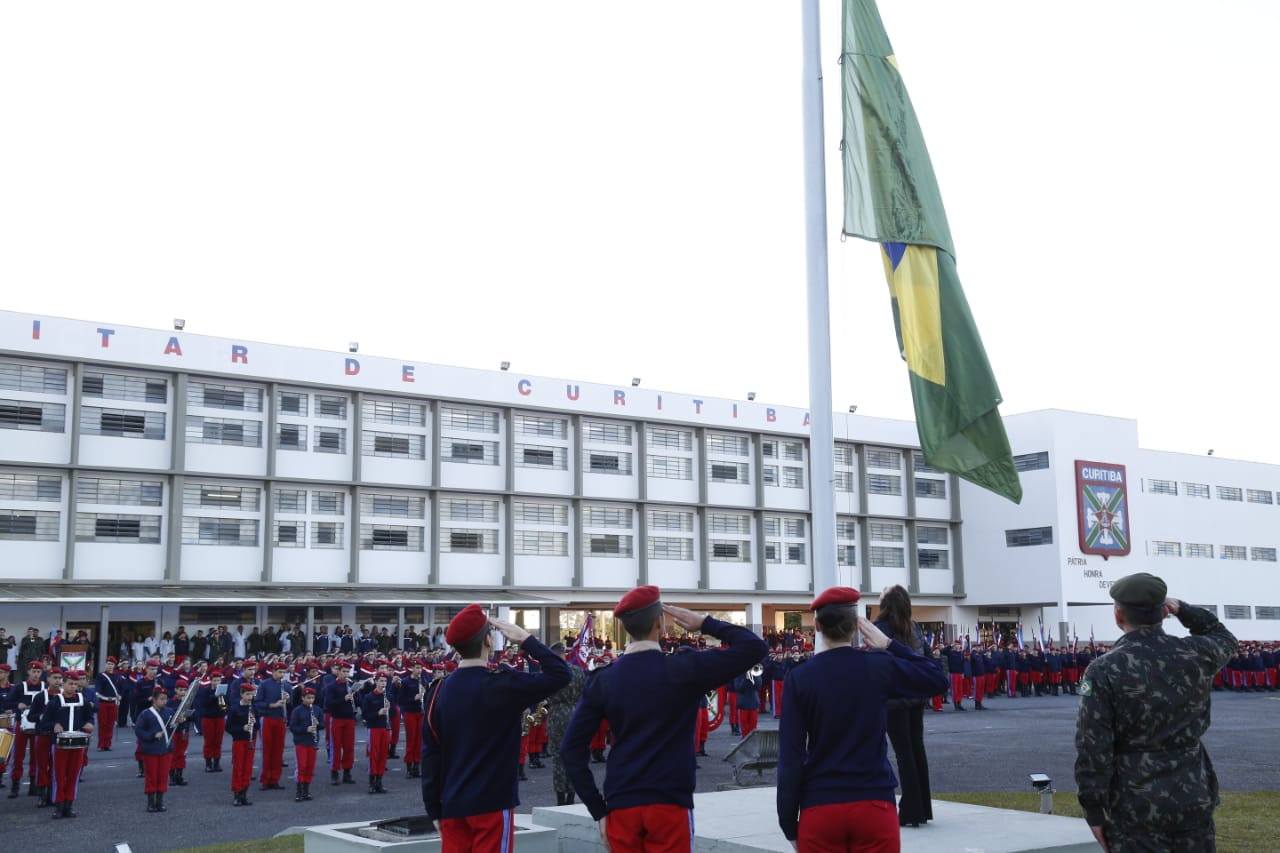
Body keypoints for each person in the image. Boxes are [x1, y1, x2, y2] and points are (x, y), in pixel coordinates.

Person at [561, 586, 769, 852]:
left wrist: (597, 810)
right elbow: (755, 647)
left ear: (625, 627)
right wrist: (705, 623)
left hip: (621, 804)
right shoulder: (685, 668)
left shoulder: (604, 679)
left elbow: (570, 750)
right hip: (670, 803)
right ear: (659, 623)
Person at [1074, 572, 1237, 852]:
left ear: (1118, 615)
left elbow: (1093, 745)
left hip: (1135, 800)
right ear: (1164, 613)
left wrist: (1094, 808)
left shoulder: (1104, 669)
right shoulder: (1196, 654)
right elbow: (1223, 636)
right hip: (1192, 794)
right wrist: (1183, 609)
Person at [776, 587, 947, 851]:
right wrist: (890, 645)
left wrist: (788, 820)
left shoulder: (799, 677)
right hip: (873, 801)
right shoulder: (877, 665)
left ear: (817, 626)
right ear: (857, 625)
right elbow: (937, 679)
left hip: (821, 804)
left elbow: (790, 756)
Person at [421, 604, 570, 851]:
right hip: (491, 804)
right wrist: (526, 639)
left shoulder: (438, 691)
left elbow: (431, 754)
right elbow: (561, 674)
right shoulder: (504, 684)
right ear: (488, 640)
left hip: (451, 804)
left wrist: (433, 809)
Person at [874, 584, 935, 828]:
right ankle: (923, 807)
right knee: (917, 749)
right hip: (915, 696)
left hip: (894, 699)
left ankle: (911, 809)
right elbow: (927, 657)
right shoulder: (914, 627)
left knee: (904, 753)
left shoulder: (880, 628)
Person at [40, 670, 95, 818]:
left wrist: (90, 723)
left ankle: (69, 805)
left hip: (78, 744)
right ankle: (58, 806)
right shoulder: (55, 701)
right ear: (63, 684)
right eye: (70, 684)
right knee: (59, 775)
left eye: (75, 684)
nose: (73, 687)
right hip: (60, 744)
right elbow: (44, 723)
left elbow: (89, 717)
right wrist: (54, 725)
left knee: (73, 775)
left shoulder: (82, 700)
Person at [543, 642, 587, 806]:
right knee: (574, 756)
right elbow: (586, 693)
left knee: (558, 758)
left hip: (557, 715)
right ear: (564, 654)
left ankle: (561, 798)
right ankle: (571, 796)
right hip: (576, 714)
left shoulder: (551, 672)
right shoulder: (578, 671)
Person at [134, 686, 175, 813]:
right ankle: (151, 803)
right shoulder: (145, 714)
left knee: (163, 776)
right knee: (151, 776)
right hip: (151, 750)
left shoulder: (170, 712)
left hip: (166, 749)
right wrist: (152, 736)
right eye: (161, 699)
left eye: (166, 699)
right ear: (154, 699)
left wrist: (181, 721)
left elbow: (174, 728)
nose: (164, 701)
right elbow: (138, 730)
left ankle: (160, 802)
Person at [288, 686, 324, 802]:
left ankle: (306, 790)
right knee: (302, 766)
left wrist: (318, 724)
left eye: (312, 698)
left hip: (312, 742)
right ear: (302, 698)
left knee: (310, 767)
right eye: (308, 698)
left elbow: (322, 725)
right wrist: (305, 729)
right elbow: (293, 727)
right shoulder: (297, 710)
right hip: (301, 742)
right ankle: (299, 791)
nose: (310, 700)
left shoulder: (317, 710)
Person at [227, 680, 259, 806]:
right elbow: (228, 727)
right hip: (239, 740)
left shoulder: (253, 708)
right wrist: (242, 728)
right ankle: (237, 793)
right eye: (247, 694)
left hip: (251, 740)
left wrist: (255, 723)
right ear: (241, 694)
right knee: (238, 767)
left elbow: (258, 726)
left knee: (248, 767)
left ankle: (244, 794)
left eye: (251, 694)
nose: (250, 697)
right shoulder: (235, 708)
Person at [361, 673, 392, 794]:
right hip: (374, 728)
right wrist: (377, 713)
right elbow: (364, 715)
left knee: (383, 755)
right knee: (374, 755)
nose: (383, 683)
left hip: (385, 728)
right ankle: (371, 782)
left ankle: (379, 782)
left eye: (385, 681)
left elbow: (394, 714)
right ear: (376, 682)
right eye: (381, 681)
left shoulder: (388, 696)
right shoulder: (369, 697)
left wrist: (390, 708)